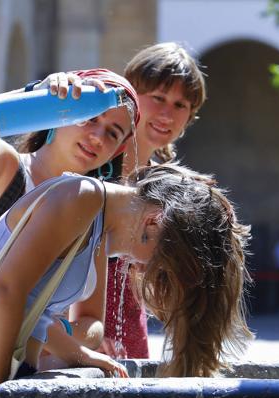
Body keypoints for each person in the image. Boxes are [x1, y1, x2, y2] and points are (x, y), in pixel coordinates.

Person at [0, 163, 252, 398]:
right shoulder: (80, 197)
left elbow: (30, 311)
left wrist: (79, 354)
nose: (149, 270)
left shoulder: (96, 221)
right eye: (162, 263)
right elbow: (4, 291)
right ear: (154, 221)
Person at [0, 68, 140, 353]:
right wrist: (36, 97)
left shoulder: (93, 211)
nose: (97, 137)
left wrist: (48, 334)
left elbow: (91, 322)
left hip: (24, 382)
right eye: (88, 117)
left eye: (112, 133)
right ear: (60, 112)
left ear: (116, 151)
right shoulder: (6, 171)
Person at [83, 42, 207, 359]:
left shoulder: (164, 187)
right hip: (78, 337)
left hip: (131, 340)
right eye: (158, 98)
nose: (167, 113)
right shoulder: (91, 162)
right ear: (132, 96)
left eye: (181, 105)